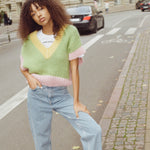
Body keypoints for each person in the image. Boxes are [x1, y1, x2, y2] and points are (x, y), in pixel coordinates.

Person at [18, 0, 102, 150]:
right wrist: (29, 78)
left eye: (41, 9)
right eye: (33, 13)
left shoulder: (69, 32)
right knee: (42, 143)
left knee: (93, 130)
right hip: (37, 95)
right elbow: (23, 67)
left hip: (61, 95)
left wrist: (76, 102)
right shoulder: (30, 39)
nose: (38, 15)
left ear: (50, 8)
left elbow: (74, 69)